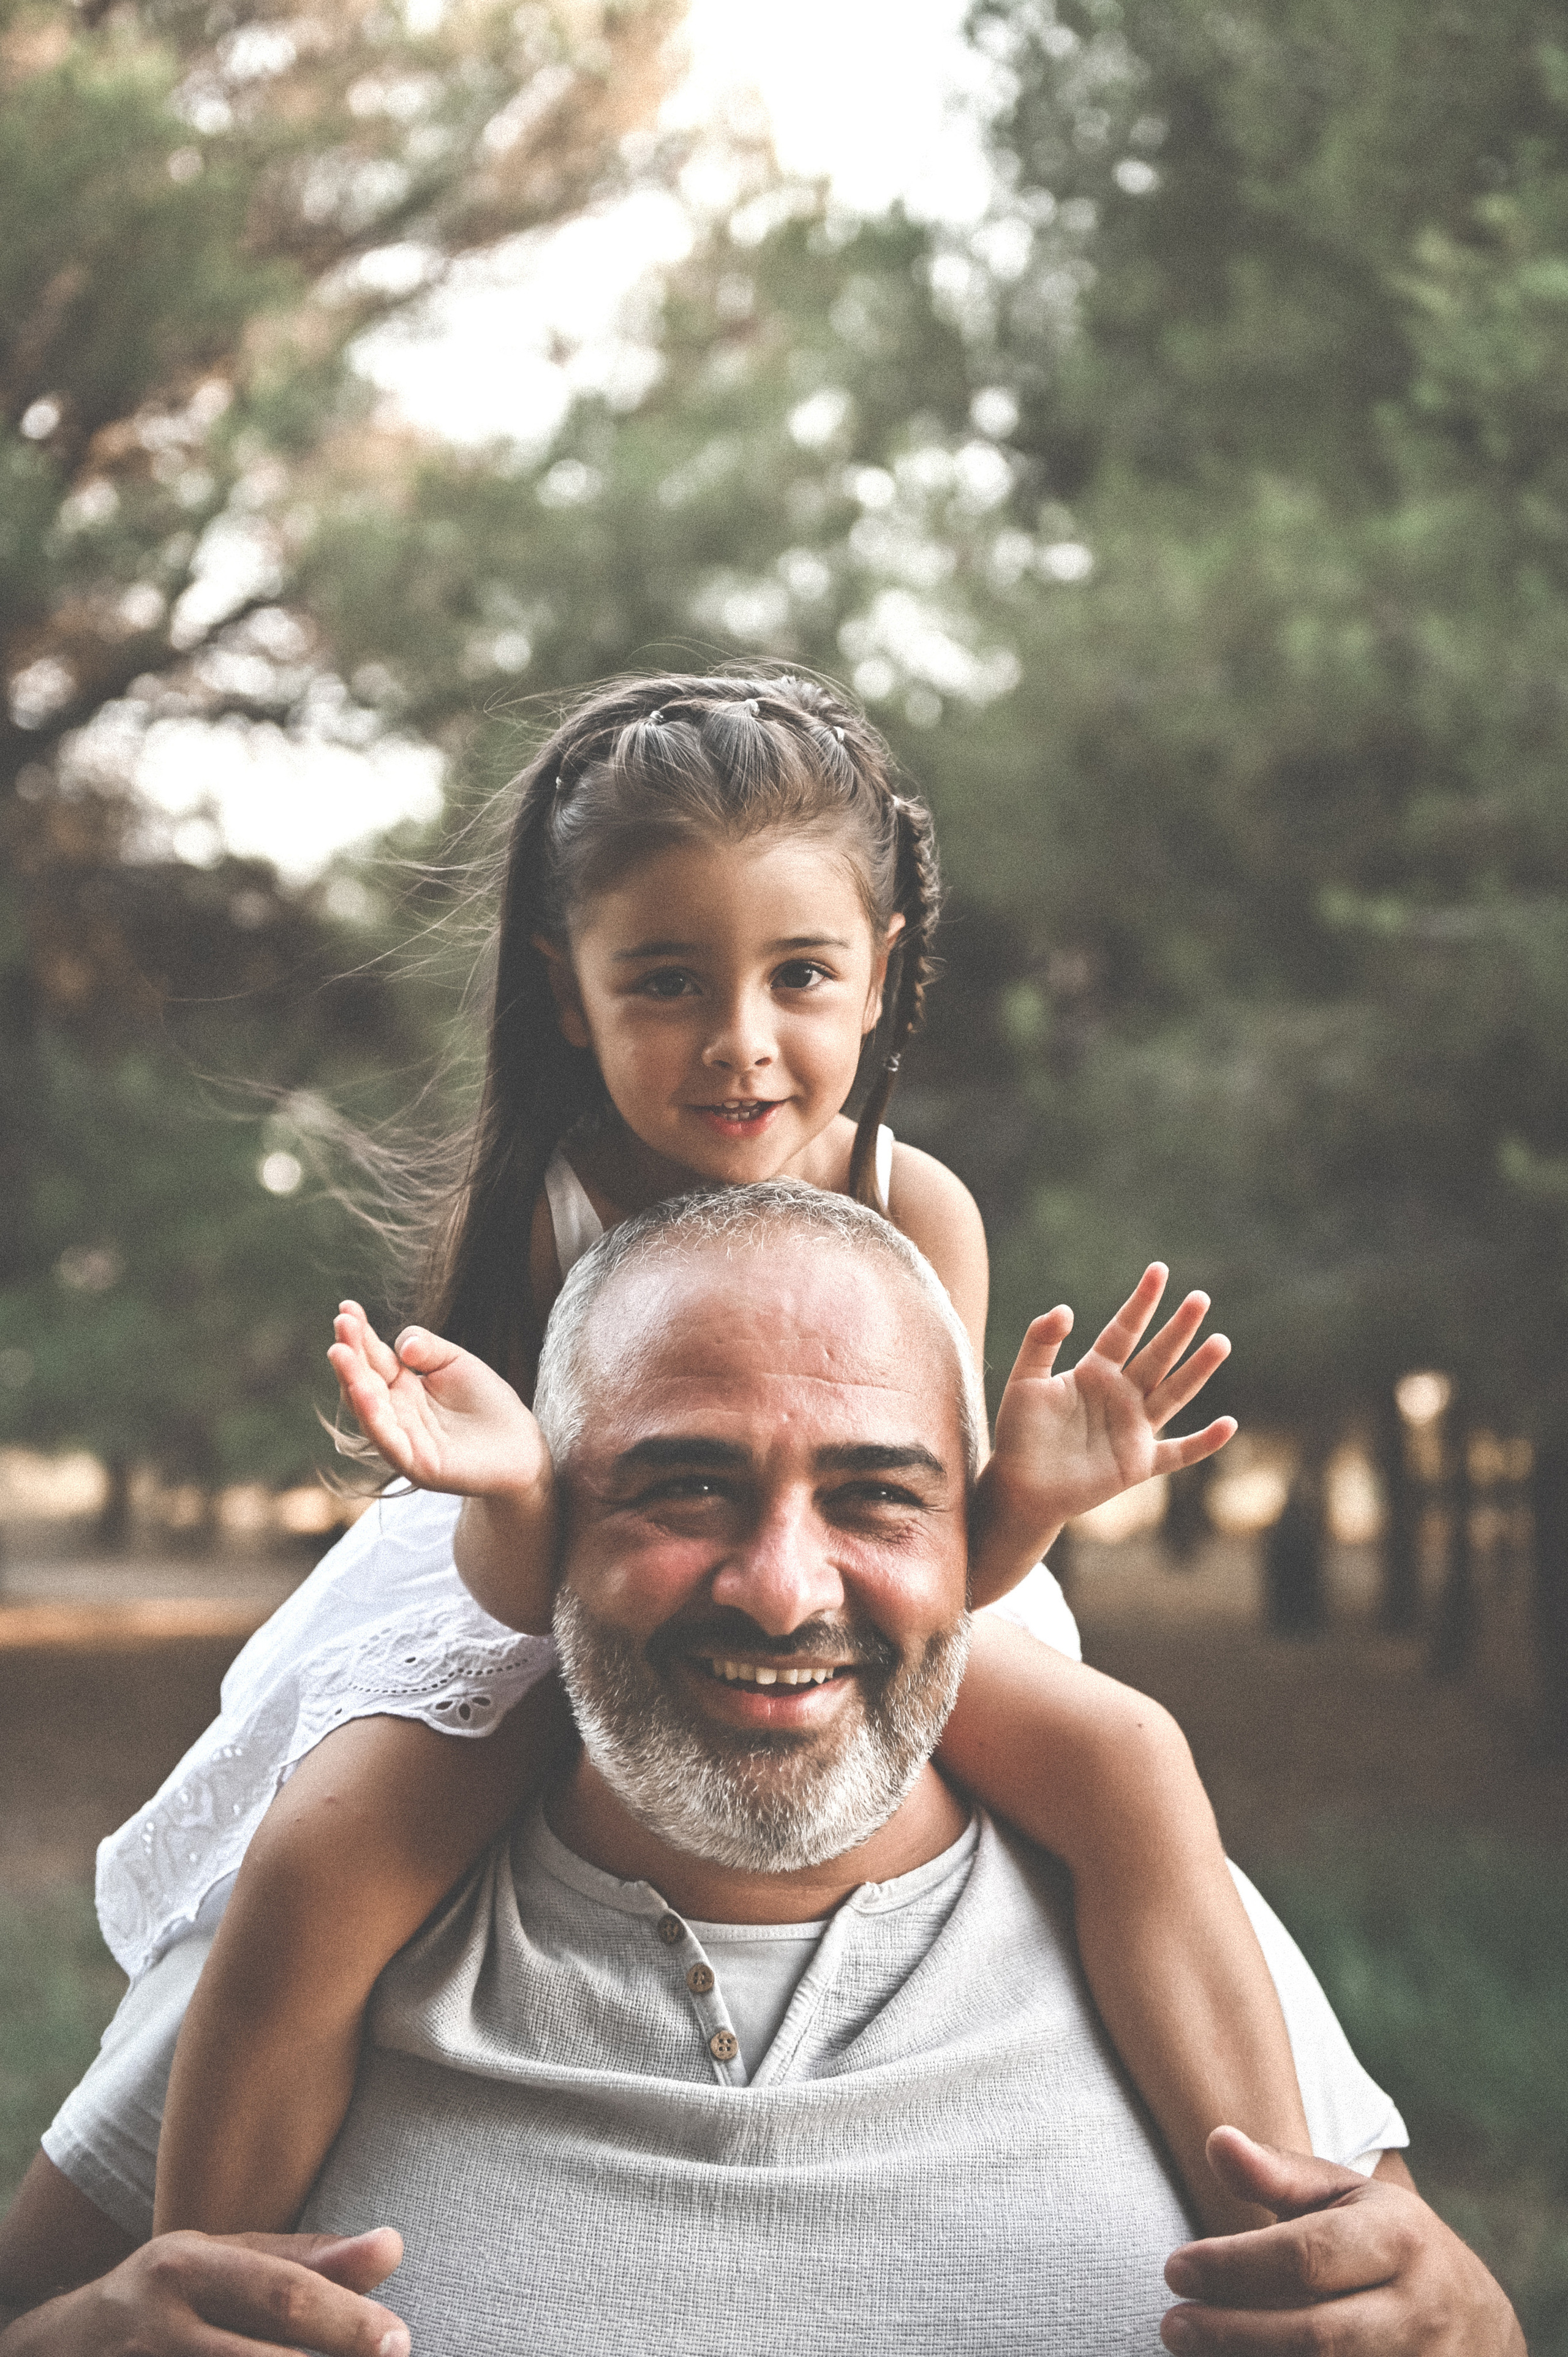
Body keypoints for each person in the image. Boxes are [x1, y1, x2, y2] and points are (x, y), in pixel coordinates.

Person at [86, 673, 1291, 2242]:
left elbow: (930, 1568)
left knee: (1129, 1761)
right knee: (337, 1840)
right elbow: (534, 1598)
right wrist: (518, 1490)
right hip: (554, 1592)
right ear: (566, 985)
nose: (739, 1044)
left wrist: (1029, 1504)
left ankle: (1288, 2214)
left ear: (879, 978)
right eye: (664, 981)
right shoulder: (556, 1198)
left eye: (799, 975)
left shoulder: (915, 1207)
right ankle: (209, 2265)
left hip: (855, 1605)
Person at [0, 1185, 1523, 2355]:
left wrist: (1478, 2326)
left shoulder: (1161, 1899)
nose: (784, 1588)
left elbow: (1391, 2300)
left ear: (973, 1544)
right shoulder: (321, 1920)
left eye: (875, 1496)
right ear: (549, 1531)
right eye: (685, 1485)